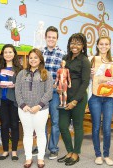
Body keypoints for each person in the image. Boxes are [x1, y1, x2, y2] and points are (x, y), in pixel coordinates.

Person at [88, 36, 113, 166]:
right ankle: (98, 154)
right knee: (96, 126)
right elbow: (88, 80)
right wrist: (90, 73)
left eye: (106, 44)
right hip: (95, 98)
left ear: (109, 46)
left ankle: (107, 154)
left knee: (107, 127)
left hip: (110, 98)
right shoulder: (92, 60)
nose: (104, 46)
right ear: (97, 45)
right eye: (101, 44)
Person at [15, 48, 53, 168]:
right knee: (27, 133)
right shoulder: (22, 73)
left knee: (41, 133)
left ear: (40, 59)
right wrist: (22, 105)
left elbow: (49, 92)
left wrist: (39, 106)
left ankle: (40, 157)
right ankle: (28, 157)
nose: (33, 60)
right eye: (31, 58)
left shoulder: (46, 73)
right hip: (24, 109)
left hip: (40, 110)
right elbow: (17, 91)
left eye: (35, 57)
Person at [57, 33, 91, 166]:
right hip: (64, 98)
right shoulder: (65, 58)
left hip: (79, 99)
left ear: (83, 46)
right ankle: (69, 151)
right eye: (72, 42)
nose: (75, 46)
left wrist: (75, 101)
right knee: (62, 126)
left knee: (77, 126)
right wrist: (59, 88)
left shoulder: (84, 61)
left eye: (78, 43)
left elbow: (85, 82)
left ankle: (76, 153)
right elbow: (61, 77)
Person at [33, 26, 66, 159]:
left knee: (55, 121)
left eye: (54, 37)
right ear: (45, 38)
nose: (51, 39)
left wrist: (57, 86)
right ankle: (40, 146)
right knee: (40, 121)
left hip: (55, 93)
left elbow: (64, 74)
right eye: (49, 37)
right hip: (41, 92)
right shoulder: (40, 53)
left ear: (57, 39)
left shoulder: (63, 54)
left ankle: (53, 148)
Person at [0, 44, 22, 161]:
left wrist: (15, 85)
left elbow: (22, 85)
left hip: (14, 100)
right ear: (2, 55)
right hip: (1, 100)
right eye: (5, 52)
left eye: (10, 52)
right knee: (4, 125)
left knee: (14, 125)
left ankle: (14, 151)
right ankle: (5, 151)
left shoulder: (19, 69)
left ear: (14, 54)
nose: (8, 54)